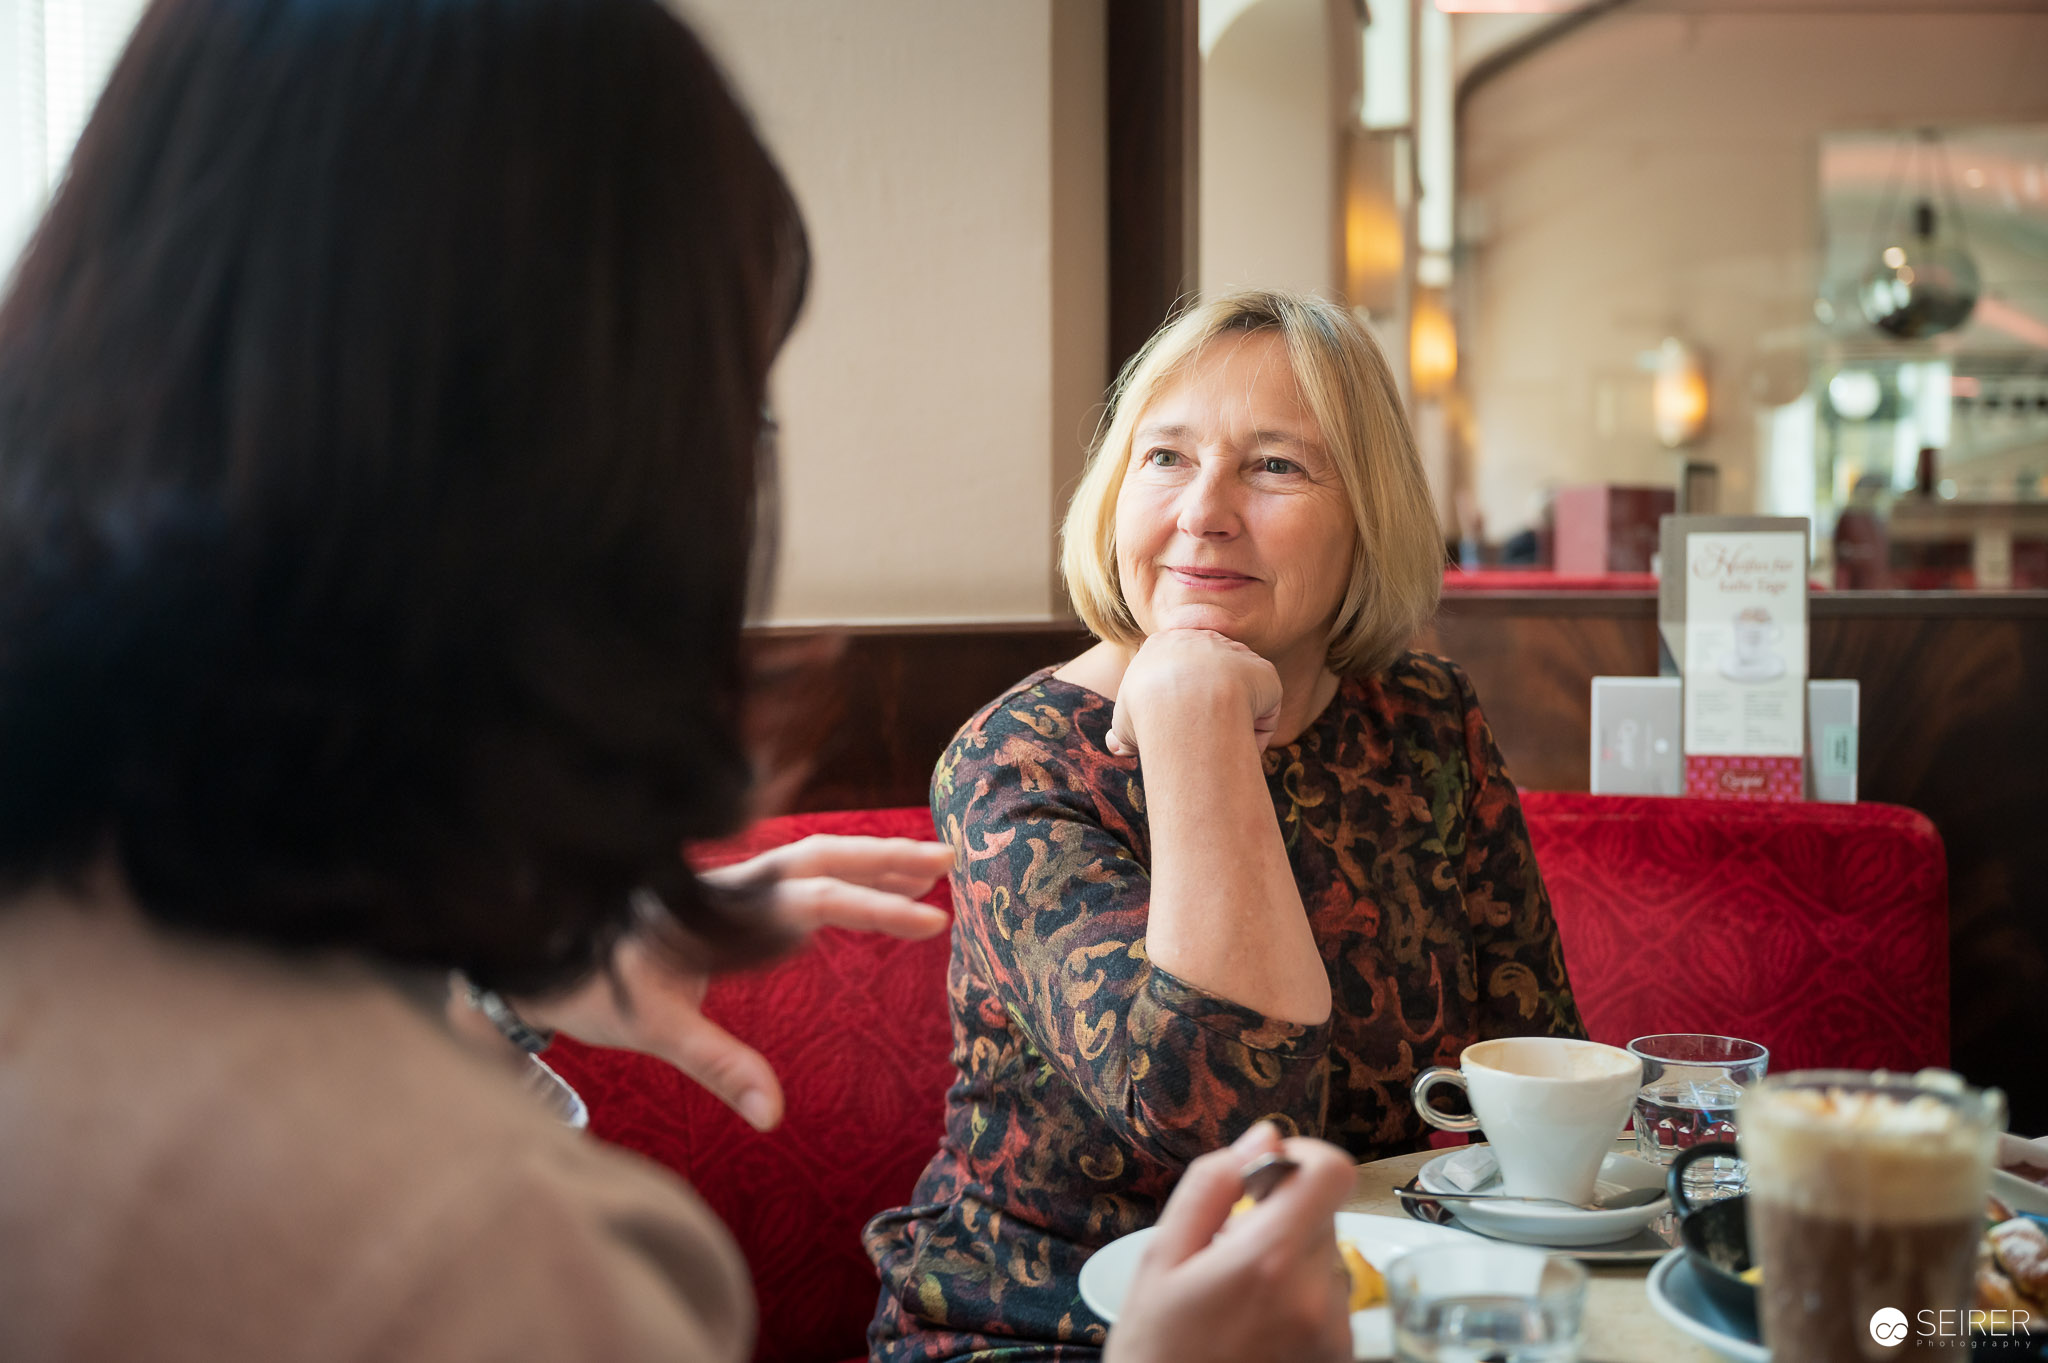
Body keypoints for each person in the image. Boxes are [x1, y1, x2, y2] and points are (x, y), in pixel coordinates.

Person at [0, 0, 1359, 1359]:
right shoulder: (498, 1265)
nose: (1208, 509)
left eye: (1278, 463)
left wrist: (491, 984)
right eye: (739, 407)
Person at [867, 291, 1588, 1360]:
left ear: (1367, 513)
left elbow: (1535, 1057)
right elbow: (1219, 1120)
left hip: (1357, 1313)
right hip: (1040, 1329)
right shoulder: (1018, 759)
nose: (1203, 509)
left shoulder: (1424, 718)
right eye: (1164, 457)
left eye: (1274, 466)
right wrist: (1195, 713)